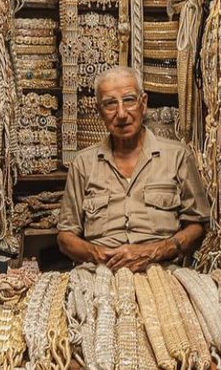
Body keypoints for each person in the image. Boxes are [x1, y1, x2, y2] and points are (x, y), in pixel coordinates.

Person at [56, 66, 210, 272]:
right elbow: (65, 236)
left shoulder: (178, 156)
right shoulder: (83, 163)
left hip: (162, 272)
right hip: (98, 273)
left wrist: (153, 252)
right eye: (110, 104)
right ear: (99, 111)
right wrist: (96, 253)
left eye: (129, 100)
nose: (121, 113)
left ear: (143, 103)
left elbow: (198, 227)